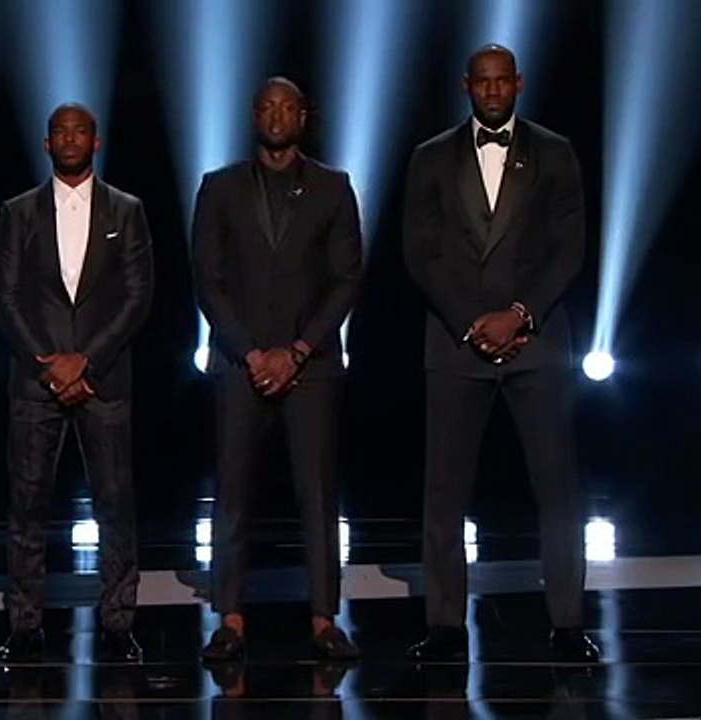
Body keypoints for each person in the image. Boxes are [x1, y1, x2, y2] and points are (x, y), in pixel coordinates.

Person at [402, 44, 598, 662]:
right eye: (481, 81)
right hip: (456, 343)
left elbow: (569, 247)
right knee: (444, 494)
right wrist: (471, 321)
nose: (491, 90)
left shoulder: (556, 152)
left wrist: (519, 315)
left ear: (519, 83)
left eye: (501, 80)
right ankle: (444, 626)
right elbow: (420, 252)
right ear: (467, 86)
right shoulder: (431, 157)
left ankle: (567, 624)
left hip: (536, 343)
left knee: (557, 489)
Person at [192, 77, 363, 662]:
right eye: (267, 106)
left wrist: (298, 350)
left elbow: (346, 277)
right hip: (238, 363)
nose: (276, 115)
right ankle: (230, 618)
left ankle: (324, 619)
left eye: (287, 107)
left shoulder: (333, 187)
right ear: (253, 115)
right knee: (232, 494)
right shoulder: (219, 187)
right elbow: (208, 279)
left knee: (317, 494)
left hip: (311, 365)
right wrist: (250, 352)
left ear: (303, 116)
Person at [0, 103, 154, 662]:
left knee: (115, 503)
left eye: (79, 130)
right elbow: (5, 297)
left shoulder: (127, 210)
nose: (69, 138)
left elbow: (138, 296)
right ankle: (24, 625)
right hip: (35, 381)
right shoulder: (18, 212)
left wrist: (86, 361)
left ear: (96, 141)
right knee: (27, 504)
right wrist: (49, 364)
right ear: (46, 143)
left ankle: (118, 623)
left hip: (103, 380)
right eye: (59, 130)